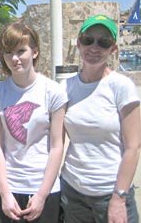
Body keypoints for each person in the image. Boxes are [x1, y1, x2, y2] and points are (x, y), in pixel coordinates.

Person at [0, 20, 68, 223]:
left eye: (21, 51)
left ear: (35, 52)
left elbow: (57, 146)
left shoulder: (53, 92)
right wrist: (5, 194)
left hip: (44, 190)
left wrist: (42, 195)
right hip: (8, 190)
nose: (15, 58)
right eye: (8, 52)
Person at [60, 14, 141, 223]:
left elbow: (133, 147)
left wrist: (119, 198)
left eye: (103, 42)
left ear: (112, 49)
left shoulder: (122, 87)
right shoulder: (65, 88)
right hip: (73, 191)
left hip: (111, 192)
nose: (94, 47)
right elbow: (53, 142)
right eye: (88, 40)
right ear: (79, 43)